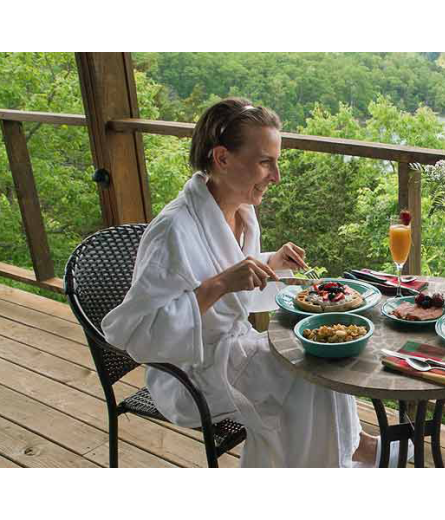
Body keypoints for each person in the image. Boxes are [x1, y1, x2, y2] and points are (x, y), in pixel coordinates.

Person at [102, 98, 387, 469]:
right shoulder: (173, 231)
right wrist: (219, 285)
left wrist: (271, 262)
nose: (277, 175)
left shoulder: (241, 211)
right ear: (221, 158)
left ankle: (348, 448)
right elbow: (136, 335)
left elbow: (230, 280)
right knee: (310, 371)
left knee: (317, 362)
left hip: (235, 347)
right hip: (190, 370)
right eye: (265, 161)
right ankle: (347, 451)